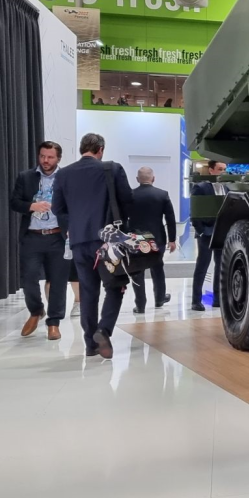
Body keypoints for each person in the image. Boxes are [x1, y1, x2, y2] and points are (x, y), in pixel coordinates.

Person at [53, 133, 133, 359]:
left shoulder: (64, 174)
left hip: (79, 241)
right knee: (116, 286)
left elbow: (58, 208)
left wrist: (74, 225)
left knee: (88, 293)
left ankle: (90, 344)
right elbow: (127, 200)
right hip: (108, 242)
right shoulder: (112, 169)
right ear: (100, 149)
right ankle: (103, 330)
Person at [9, 141, 69, 341]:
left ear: (58, 158)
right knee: (29, 279)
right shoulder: (25, 177)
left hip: (57, 237)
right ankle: (36, 311)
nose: (45, 160)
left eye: (50, 157)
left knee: (58, 282)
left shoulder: (67, 178)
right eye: (42, 156)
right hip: (32, 237)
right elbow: (14, 202)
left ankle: (54, 322)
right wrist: (32, 206)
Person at [127, 167, 176, 313]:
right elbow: (170, 218)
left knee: (137, 270)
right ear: (153, 179)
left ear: (137, 179)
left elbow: (123, 218)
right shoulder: (162, 195)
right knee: (157, 267)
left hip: (136, 238)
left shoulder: (130, 195)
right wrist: (172, 239)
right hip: (157, 238)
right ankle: (160, 298)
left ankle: (140, 305)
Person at [190, 160, 226, 312]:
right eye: (220, 169)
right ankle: (195, 301)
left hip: (222, 232)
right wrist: (201, 230)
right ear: (211, 170)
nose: (223, 172)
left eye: (225, 169)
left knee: (221, 266)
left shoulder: (227, 187)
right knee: (202, 266)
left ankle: (218, 299)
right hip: (206, 232)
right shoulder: (201, 187)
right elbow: (195, 211)